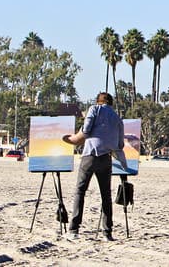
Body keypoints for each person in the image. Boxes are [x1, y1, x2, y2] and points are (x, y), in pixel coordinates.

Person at [62, 92, 127, 242]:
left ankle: (73, 230)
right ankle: (107, 233)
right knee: (106, 195)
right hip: (106, 158)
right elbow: (120, 144)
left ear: (98, 101)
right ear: (110, 103)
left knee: (80, 191)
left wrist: (71, 138)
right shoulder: (118, 119)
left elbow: (85, 132)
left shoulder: (94, 109)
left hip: (90, 155)